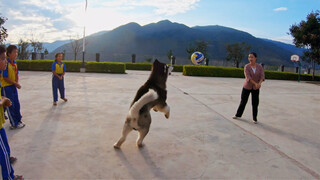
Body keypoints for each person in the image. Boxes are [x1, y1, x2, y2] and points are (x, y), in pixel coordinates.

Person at [0, 45, 24, 180]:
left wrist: (3, 99)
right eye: (3, 59)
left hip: (0, 124)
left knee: (5, 150)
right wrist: (3, 102)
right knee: (3, 153)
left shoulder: (12, 64)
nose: (5, 61)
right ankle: (9, 177)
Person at [233, 52, 265, 124]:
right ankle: (238, 115)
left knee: (255, 103)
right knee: (243, 101)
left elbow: (262, 76)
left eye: (252, 57)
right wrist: (255, 83)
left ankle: (254, 118)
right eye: (249, 57)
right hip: (247, 87)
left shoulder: (259, 67)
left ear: (256, 58)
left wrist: (259, 84)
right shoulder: (247, 66)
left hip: (256, 88)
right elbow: (248, 77)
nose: (250, 59)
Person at [0, 45, 24, 129]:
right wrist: (15, 83)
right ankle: (14, 123)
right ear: (9, 54)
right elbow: (5, 77)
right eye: (14, 52)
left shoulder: (14, 63)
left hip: (13, 86)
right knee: (10, 105)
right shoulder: (6, 63)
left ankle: (18, 119)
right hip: (7, 87)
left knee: (16, 103)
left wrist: (15, 83)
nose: (16, 54)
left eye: (16, 52)